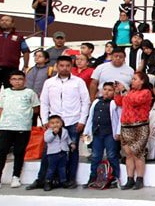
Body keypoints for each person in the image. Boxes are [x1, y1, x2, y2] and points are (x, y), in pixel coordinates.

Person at [0, 70, 39, 191]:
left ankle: (16, 176)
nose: (17, 81)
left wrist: (25, 117)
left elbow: (36, 109)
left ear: (24, 80)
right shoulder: (6, 92)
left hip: (23, 127)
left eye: (20, 79)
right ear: (10, 81)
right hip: (6, 126)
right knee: (1, 152)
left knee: (19, 151)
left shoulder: (30, 93)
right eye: (14, 79)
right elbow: (0, 109)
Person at [39, 55, 90, 188]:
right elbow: (44, 102)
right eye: (61, 65)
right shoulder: (49, 83)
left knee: (72, 151)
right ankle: (44, 179)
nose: (64, 68)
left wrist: (82, 120)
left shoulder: (78, 82)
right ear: (57, 66)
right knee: (48, 151)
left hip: (73, 120)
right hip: (54, 122)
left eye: (67, 66)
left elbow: (85, 101)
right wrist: (45, 120)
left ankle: (70, 179)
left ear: (71, 67)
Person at [115, 71, 153, 190]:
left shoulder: (146, 92)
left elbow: (135, 101)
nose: (132, 81)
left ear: (142, 81)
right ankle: (130, 179)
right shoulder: (130, 92)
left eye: (135, 79)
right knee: (128, 154)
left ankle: (139, 179)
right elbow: (119, 102)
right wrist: (117, 92)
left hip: (139, 127)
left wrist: (124, 91)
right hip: (126, 126)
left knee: (137, 153)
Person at [83, 81, 122, 188]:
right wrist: (86, 132)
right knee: (96, 156)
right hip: (97, 133)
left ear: (114, 92)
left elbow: (119, 119)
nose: (107, 92)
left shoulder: (114, 103)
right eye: (105, 89)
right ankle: (93, 177)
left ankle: (114, 177)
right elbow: (91, 117)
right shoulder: (96, 102)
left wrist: (118, 132)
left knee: (112, 155)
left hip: (109, 133)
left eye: (110, 90)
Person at [42, 115, 73, 191]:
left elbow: (67, 139)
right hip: (53, 153)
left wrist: (71, 143)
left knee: (62, 168)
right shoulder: (48, 132)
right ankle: (48, 182)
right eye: (52, 123)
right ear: (49, 125)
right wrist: (53, 133)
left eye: (57, 122)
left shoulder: (65, 131)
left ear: (61, 123)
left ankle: (63, 181)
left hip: (63, 152)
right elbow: (47, 140)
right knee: (51, 169)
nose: (55, 124)